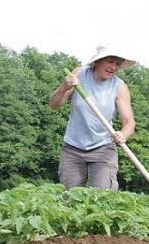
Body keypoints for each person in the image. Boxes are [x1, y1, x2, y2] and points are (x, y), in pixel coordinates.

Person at [49, 44, 137, 190]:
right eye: (110, 61)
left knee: (104, 196)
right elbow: (54, 104)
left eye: (117, 64)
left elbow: (129, 122)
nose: (113, 67)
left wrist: (123, 134)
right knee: (70, 196)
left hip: (103, 147)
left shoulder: (119, 87)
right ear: (98, 61)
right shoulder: (79, 74)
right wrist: (64, 87)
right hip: (73, 147)